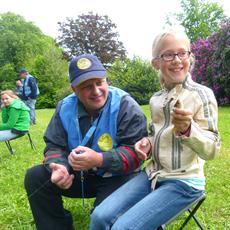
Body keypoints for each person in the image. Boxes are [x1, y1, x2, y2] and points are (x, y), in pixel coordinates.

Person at [89, 27, 221, 230]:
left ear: (190, 56)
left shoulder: (201, 95)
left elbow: (212, 150)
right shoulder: (156, 99)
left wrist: (188, 129)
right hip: (153, 174)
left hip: (184, 182)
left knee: (122, 228)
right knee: (99, 217)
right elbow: (156, 134)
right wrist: (147, 143)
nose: (176, 59)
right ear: (156, 63)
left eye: (182, 53)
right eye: (168, 54)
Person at [24, 54, 148, 230]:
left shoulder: (125, 105)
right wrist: (58, 166)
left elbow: (136, 154)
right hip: (79, 175)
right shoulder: (64, 107)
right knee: (35, 177)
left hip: (118, 176)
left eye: (100, 82)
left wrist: (99, 159)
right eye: (87, 86)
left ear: (106, 81)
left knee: (102, 216)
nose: (96, 91)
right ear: (74, 89)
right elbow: (54, 145)